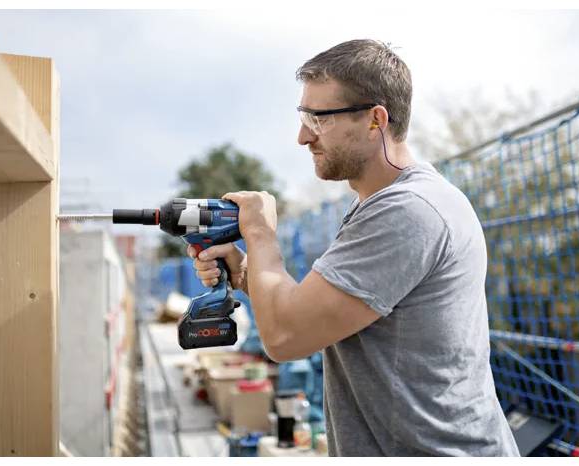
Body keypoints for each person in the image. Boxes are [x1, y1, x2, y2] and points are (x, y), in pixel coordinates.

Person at [186, 39, 519, 457]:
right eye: (303, 116)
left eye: (319, 118)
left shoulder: (408, 212)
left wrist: (261, 235)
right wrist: (244, 272)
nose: (303, 136)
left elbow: (287, 338)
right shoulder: (382, 204)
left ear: (375, 120)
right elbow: (306, 313)